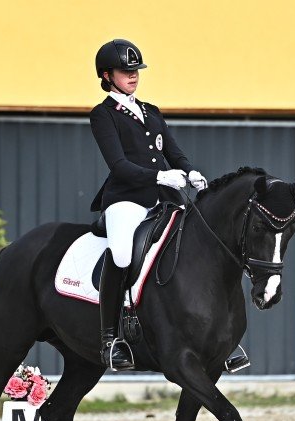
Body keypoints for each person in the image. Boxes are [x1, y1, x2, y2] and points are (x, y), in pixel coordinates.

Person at [90, 39, 208, 370]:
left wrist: (189, 171)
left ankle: (215, 336)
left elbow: (173, 151)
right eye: (125, 71)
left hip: (164, 196)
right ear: (107, 75)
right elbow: (118, 165)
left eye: (135, 71)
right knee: (123, 252)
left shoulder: (151, 112)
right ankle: (110, 338)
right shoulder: (103, 116)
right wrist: (159, 178)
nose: (133, 76)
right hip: (126, 197)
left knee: (197, 243)